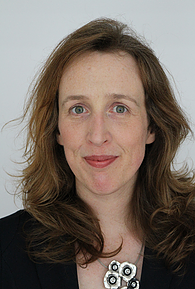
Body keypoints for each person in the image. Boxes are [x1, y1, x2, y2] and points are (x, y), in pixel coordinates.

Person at [0, 18, 195, 289]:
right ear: (56, 129)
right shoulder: (5, 249)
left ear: (151, 126)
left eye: (119, 108)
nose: (97, 135)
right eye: (78, 109)